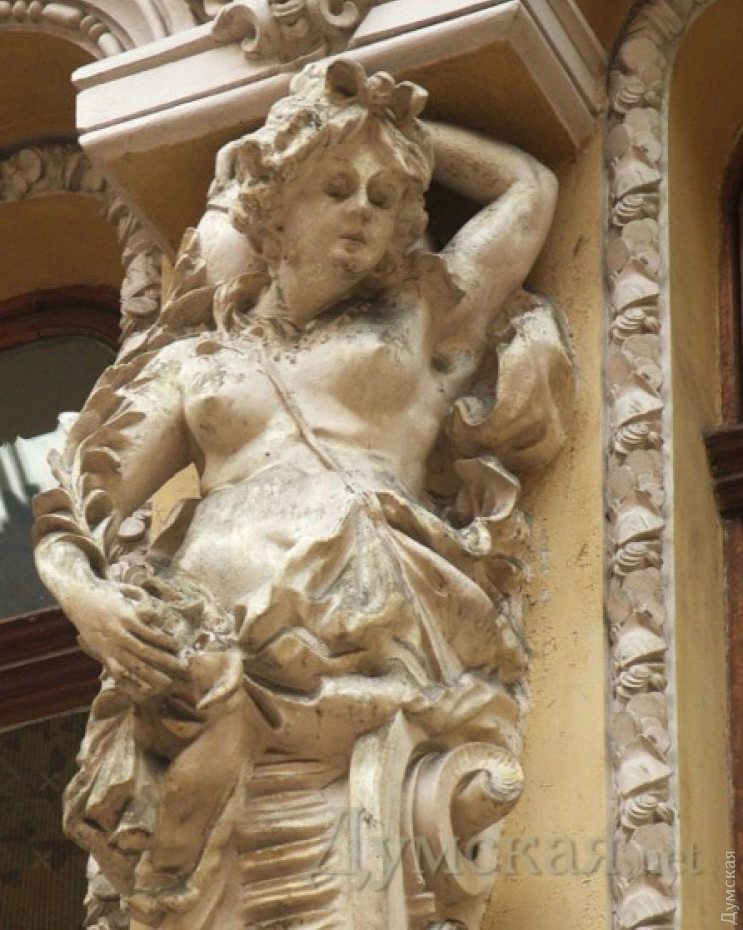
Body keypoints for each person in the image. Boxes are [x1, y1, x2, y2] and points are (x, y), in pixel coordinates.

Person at [34, 59, 573, 929]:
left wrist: (382, 127)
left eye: (383, 197)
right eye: (335, 187)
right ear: (274, 208)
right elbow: (79, 495)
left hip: (358, 634)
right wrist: (85, 598)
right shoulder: (197, 360)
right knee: (183, 886)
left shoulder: (422, 320)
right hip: (202, 649)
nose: (363, 209)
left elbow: (528, 189)